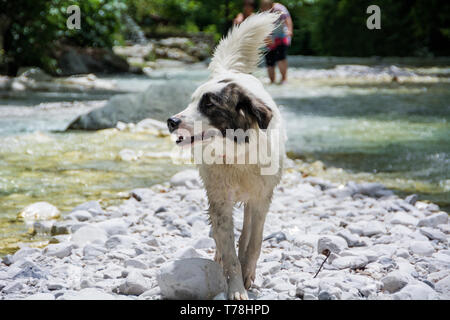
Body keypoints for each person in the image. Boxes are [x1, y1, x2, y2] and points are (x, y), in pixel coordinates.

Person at [261, 0, 293, 84]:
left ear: (271, 5)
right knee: (269, 61)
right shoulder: (263, 11)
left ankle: (284, 79)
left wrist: (289, 31)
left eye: (266, 7)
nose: (264, 9)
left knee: (280, 59)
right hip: (269, 37)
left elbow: (287, 19)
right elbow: (262, 27)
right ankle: (272, 81)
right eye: (263, 7)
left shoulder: (279, 8)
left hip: (281, 36)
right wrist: (266, 39)